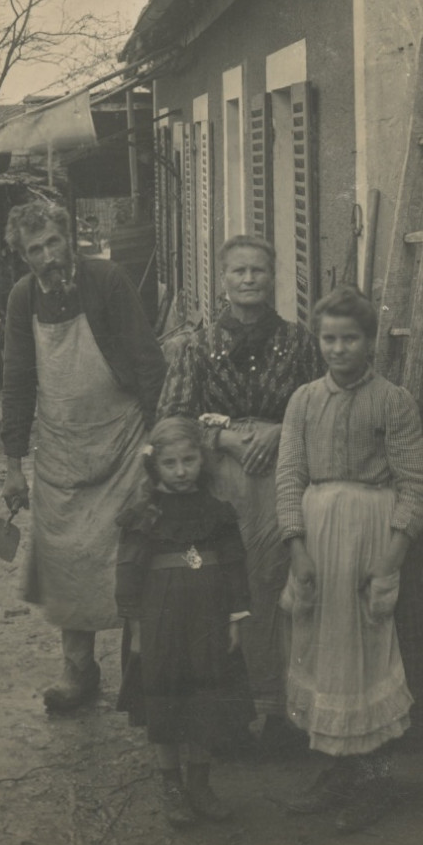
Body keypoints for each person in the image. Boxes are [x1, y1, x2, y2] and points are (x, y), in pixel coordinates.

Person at [157, 235, 324, 749]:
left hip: (284, 475)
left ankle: (283, 715)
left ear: (273, 277)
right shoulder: (199, 347)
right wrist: (222, 437)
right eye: (238, 272)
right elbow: (172, 419)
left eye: (258, 271)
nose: (248, 280)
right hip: (222, 481)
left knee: (280, 586)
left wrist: (281, 429)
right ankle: (228, 718)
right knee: (226, 588)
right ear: (222, 280)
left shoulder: (299, 342)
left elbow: (322, 403)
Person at [276, 286, 423, 832]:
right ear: (318, 341)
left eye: (350, 339)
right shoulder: (303, 401)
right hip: (317, 539)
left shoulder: (393, 402)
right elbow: (290, 477)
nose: (338, 349)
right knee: (322, 652)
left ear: (369, 342)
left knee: (369, 653)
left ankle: (376, 780)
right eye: (329, 339)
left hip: (370, 539)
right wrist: (297, 550)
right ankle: (336, 771)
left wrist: (388, 562)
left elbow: (414, 488)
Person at [1, 199, 166, 713]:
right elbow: (17, 381)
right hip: (60, 452)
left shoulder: (108, 282)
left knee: (135, 559)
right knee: (67, 566)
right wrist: (11, 463)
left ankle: (142, 676)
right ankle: (79, 672)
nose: (48, 256)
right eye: (35, 249)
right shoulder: (22, 300)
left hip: (121, 442)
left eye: (53, 241)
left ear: (68, 238)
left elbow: (147, 361)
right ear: (23, 258)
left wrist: (160, 440)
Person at [115, 417, 251, 827]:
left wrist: (234, 618)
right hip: (161, 623)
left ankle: (200, 785)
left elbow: (234, 565)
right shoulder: (144, 514)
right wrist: (137, 628)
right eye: (170, 463)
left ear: (202, 460)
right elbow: (128, 571)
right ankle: (172, 786)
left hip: (207, 618)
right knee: (166, 701)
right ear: (154, 466)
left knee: (205, 701)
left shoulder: (217, 512)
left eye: (189, 460)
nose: (180, 470)